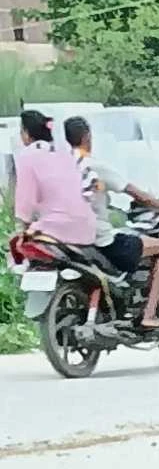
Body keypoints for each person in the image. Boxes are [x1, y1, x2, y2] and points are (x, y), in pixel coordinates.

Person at [63, 113, 159, 331]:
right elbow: (136, 193)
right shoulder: (94, 166)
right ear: (87, 137)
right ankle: (148, 316)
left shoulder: (61, 167)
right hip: (100, 239)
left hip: (69, 237)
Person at [12, 105, 107, 330]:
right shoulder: (64, 154)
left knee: (19, 245)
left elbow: (25, 201)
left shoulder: (26, 157)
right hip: (85, 227)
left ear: (26, 134)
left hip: (55, 229)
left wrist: (22, 225)